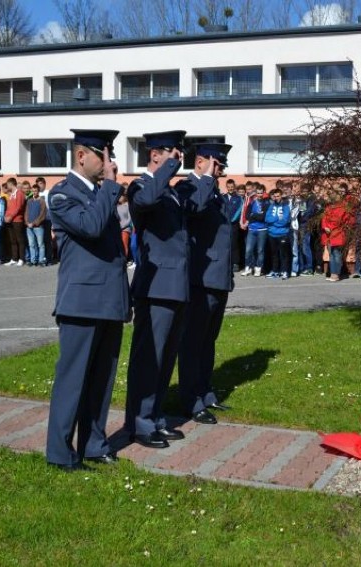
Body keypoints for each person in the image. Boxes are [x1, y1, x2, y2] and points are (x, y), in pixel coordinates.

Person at [45, 129, 129, 471]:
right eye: (103, 154)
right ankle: (60, 452)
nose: (110, 162)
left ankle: (94, 444)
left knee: (101, 381)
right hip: (80, 302)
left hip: (109, 299)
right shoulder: (62, 195)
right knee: (73, 381)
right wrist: (110, 188)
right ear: (82, 156)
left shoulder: (101, 194)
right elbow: (92, 227)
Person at [125, 130, 214, 448]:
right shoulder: (141, 185)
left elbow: (199, 206)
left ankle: (155, 417)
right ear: (154, 154)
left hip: (176, 285)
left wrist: (205, 177)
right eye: (172, 152)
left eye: (179, 154)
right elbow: (146, 199)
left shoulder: (172, 192)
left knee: (164, 360)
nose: (177, 158)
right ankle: (139, 422)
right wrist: (168, 170)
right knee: (148, 360)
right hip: (156, 286)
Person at [178, 142, 235, 426]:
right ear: (200, 162)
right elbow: (193, 210)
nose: (220, 171)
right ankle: (190, 400)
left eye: (221, 167)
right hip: (199, 279)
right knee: (192, 343)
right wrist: (205, 179)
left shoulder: (214, 192)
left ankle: (205, 391)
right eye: (217, 165)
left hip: (217, 279)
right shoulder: (188, 188)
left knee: (207, 342)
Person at [321, 187, 354, 282]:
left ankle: (336, 274)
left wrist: (331, 227)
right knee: (331, 254)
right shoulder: (329, 207)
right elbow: (324, 219)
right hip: (329, 235)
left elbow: (346, 221)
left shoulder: (344, 207)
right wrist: (325, 227)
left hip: (338, 233)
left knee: (337, 254)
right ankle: (333, 273)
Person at [265, 187, 292, 279]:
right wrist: (277, 219)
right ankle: (275, 271)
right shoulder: (271, 206)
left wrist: (274, 222)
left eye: (278, 196)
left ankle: (284, 271)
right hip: (272, 233)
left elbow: (285, 221)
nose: (276, 198)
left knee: (283, 254)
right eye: (275, 196)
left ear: (281, 196)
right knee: (274, 254)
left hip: (283, 233)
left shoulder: (286, 207)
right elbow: (267, 219)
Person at [240, 186, 268, 276]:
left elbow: (264, 217)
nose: (259, 195)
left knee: (260, 250)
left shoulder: (266, 203)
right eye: (258, 193)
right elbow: (247, 216)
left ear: (263, 193)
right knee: (248, 250)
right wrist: (256, 216)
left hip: (262, 229)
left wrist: (254, 215)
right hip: (252, 229)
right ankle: (248, 268)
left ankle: (258, 268)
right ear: (256, 193)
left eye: (261, 193)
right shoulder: (251, 203)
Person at [3, 178, 26, 266]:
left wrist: (11, 216)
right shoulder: (11, 194)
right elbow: (9, 208)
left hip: (17, 220)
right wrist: (6, 216)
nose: (7, 186)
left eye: (8, 184)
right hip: (9, 220)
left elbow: (19, 207)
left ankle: (21, 258)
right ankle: (14, 258)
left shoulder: (19, 193)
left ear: (11, 184)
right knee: (12, 240)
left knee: (20, 240)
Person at [25, 183, 48, 266]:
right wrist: (27, 222)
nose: (34, 192)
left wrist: (34, 223)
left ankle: (41, 260)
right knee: (31, 244)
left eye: (36, 191)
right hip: (29, 226)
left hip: (38, 227)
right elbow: (26, 213)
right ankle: (33, 260)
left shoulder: (41, 201)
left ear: (38, 192)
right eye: (33, 191)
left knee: (40, 244)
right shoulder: (29, 201)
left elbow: (42, 214)